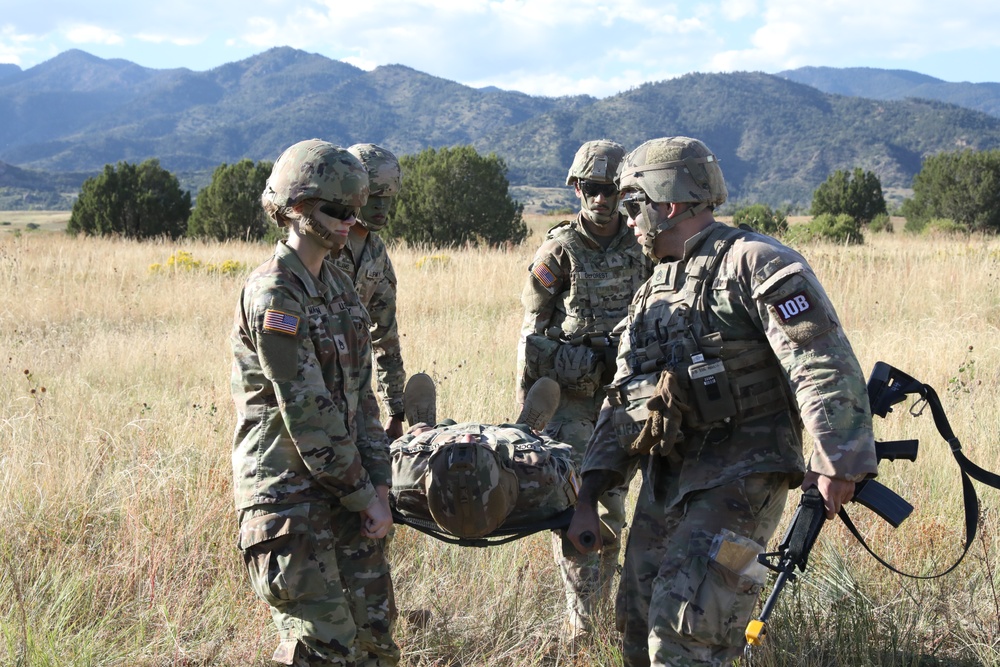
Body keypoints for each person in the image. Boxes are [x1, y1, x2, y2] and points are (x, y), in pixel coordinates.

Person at [566, 136, 878, 666]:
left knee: (688, 629)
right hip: (671, 478)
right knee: (637, 621)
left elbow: (819, 360)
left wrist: (838, 460)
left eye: (633, 203)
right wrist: (588, 494)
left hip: (742, 475)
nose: (628, 218)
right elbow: (622, 406)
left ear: (667, 203)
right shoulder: (650, 291)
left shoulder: (754, 261)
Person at [231, 138, 399, 667]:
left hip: (347, 496)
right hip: (290, 503)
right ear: (297, 208)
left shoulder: (342, 288)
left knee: (375, 643)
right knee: (324, 649)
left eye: (356, 209)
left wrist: (381, 485)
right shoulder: (275, 293)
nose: (352, 221)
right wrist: (363, 494)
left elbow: (362, 403)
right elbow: (308, 414)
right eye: (338, 209)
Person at [516, 139, 652, 636]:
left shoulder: (644, 244)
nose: (600, 200)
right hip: (573, 399)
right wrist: (528, 415)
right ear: (576, 188)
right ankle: (583, 630)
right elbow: (532, 335)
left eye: (610, 190)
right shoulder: (559, 248)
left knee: (622, 507)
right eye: (592, 189)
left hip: (629, 393)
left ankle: (619, 618)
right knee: (580, 510)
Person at [332, 143, 408, 440]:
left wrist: (395, 410)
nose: (381, 207)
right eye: (373, 197)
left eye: (387, 198)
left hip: (357, 389)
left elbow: (385, 336)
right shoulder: (323, 246)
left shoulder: (376, 253)